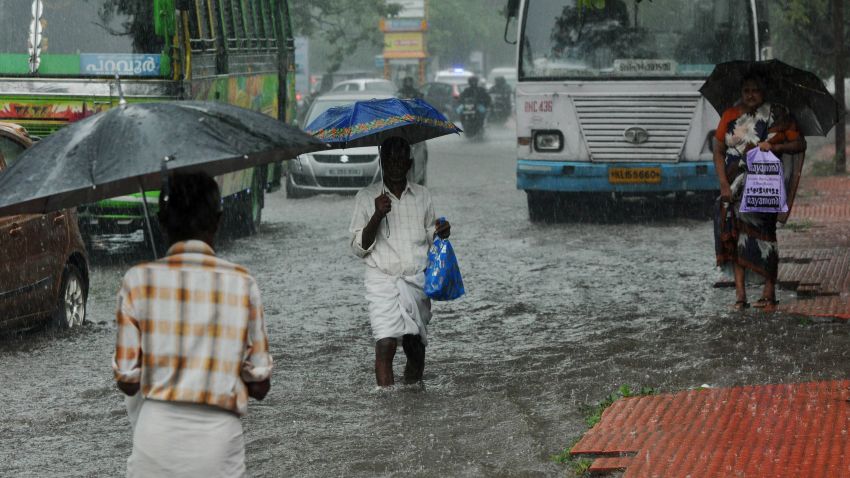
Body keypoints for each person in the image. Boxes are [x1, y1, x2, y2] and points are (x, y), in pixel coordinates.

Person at [113, 171, 272, 477]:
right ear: (218, 219)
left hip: (154, 442)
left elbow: (127, 381)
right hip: (217, 447)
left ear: (161, 223)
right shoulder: (242, 284)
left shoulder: (137, 281)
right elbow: (261, 385)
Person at [349, 136, 451, 387]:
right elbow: (358, 248)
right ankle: (387, 407)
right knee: (384, 344)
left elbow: (430, 235)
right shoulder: (366, 197)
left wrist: (441, 231)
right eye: (389, 159)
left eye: (400, 160)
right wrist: (377, 215)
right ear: (382, 161)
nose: (395, 165)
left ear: (409, 163)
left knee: (415, 345)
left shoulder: (423, 196)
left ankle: (413, 397)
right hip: (381, 279)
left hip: (416, 279)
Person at [713, 73, 806, 313]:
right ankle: (740, 295)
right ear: (740, 92)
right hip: (734, 185)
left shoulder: (778, 114)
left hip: (765, 184)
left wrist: (774, 146)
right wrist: (724, 184)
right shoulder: (729, 116)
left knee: (766, 236)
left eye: (755, 90)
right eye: (746, 90)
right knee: (735, 236)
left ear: (763, 91)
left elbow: (799, 144)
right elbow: (718, 151)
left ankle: (769, 293)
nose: (750, 95)